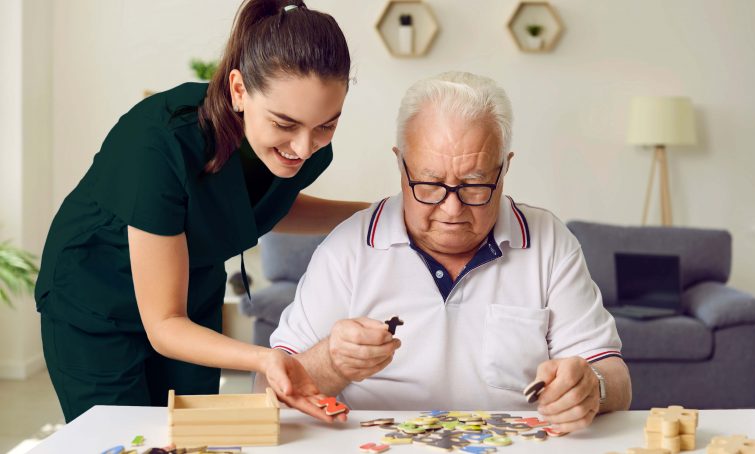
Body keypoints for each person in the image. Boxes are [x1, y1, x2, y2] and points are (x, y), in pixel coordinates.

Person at [35, 0, 366, 423]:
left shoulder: (306, 149)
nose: (303, 147)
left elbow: (260, 207)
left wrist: (376, 213)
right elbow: (165, 324)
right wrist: (266, 360)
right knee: (126, 437)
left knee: (192, 434)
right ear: (239, 90)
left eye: (326, 124)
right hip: (96, 302)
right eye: (285, 124)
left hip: (191, 296)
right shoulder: (159, 144)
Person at [268, 71, 632, 433]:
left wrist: (592, 387)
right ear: (400, 164)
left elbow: (616, 380)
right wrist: (332, 362)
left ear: (504, 167)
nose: (451, 210)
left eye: (475, 185)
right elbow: (267, 391)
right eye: (429, 184)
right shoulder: (347, 247)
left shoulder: (550, 242)